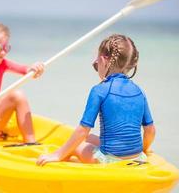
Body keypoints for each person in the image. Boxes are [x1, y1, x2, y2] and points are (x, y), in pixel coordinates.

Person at [37, 34, 156, 166]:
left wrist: (57, 154)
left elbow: (83, 130)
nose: (96, 66)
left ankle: (61, 172)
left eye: (96, 63)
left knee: (76, 147)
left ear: (103, 60)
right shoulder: (139, 91)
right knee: (89, 139)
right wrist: (144, 150)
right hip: (137, 157)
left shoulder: (99, 90)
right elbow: (150, 130)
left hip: (108, 160)